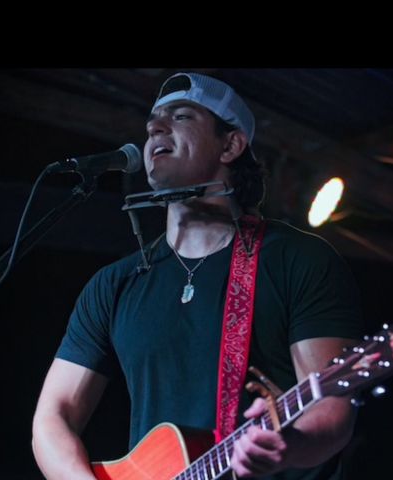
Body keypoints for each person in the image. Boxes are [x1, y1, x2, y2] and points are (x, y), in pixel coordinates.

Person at [32, 72, 363, 479]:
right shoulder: (115, 284)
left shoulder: (299, 259)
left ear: (231, 144)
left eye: (182, 116)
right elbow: (52, 417)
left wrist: (285, 446)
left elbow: (332, 407)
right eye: (153, 121)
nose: (155, 128)